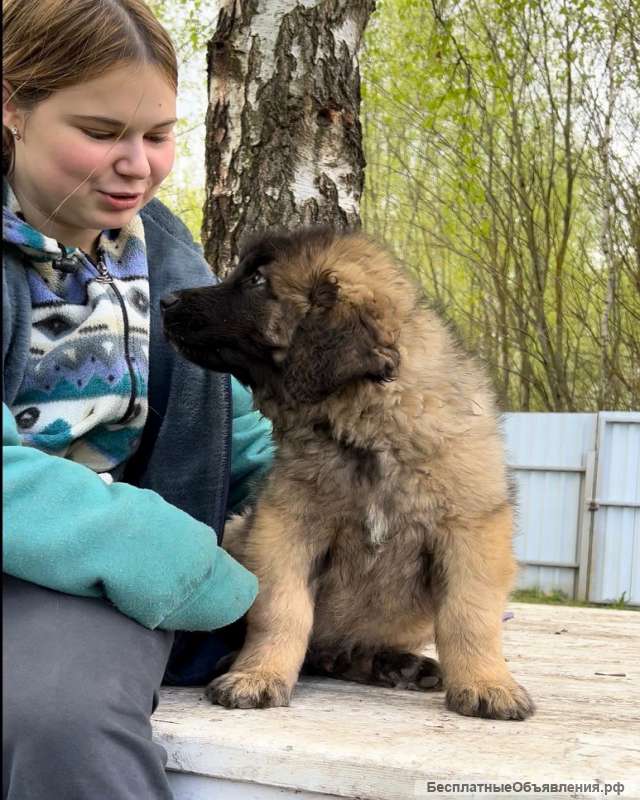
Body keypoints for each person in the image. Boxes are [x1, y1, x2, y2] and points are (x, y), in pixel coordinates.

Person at [2, 1, 274, 797]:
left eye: (156, 135)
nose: (137, 165)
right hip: (105, 551)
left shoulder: (165, 249)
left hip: (88, 585)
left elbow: (232, 423)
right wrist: (161, 549)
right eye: (100, 130)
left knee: (62, 716)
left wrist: (369, 535)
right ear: (12, 106)